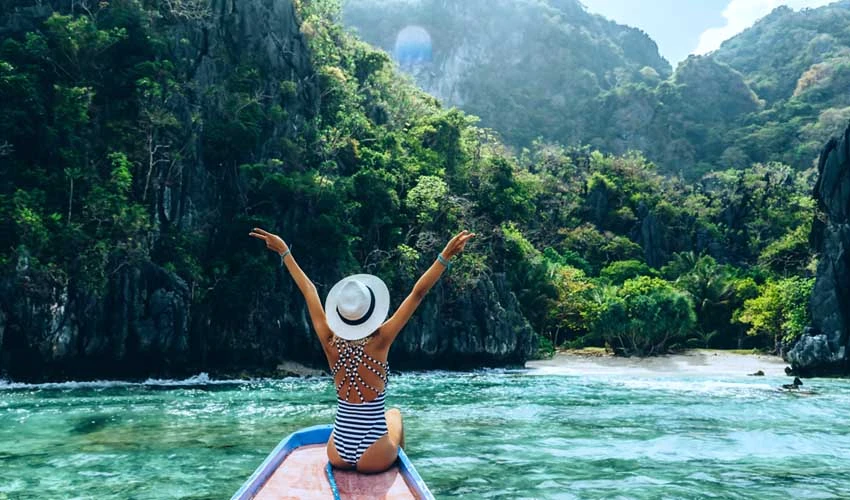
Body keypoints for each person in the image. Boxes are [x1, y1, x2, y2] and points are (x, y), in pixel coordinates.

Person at [249, 227, 475, 473]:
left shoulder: (329, 340)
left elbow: (309, 290)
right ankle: (400, 473)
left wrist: (284, 252)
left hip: (337, 451)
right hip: (374, 453)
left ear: (340, 315)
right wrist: (444, 256)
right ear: (371, 313)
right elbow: (417, 294)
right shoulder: (380, 340)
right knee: (395, 414)